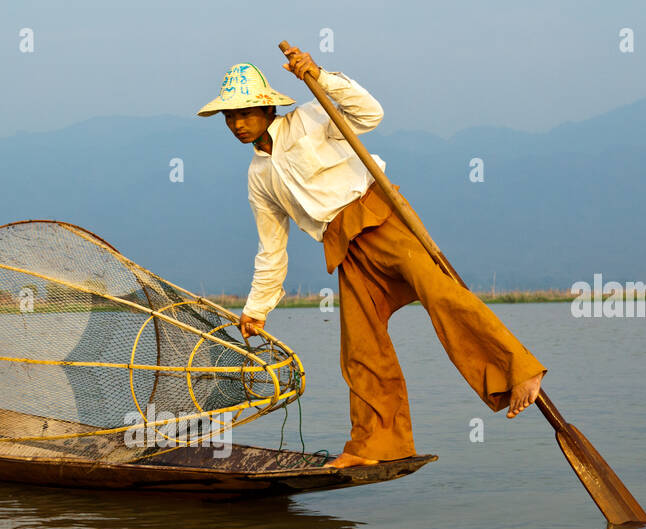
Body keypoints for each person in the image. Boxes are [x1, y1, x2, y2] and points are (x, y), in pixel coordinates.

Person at [198, 50, 546, 468]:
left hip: (380, 216)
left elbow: (369, 114)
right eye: (229, 117)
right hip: (344, 246)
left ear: (267, 107)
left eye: (245, 113)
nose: (237, 123)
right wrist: (256, 310)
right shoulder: (259, 176)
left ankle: (520, 371)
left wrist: (320, 76)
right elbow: (271, 247)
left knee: (441, 295)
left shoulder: (310, 117)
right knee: (360, 346)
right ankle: (377, 445)